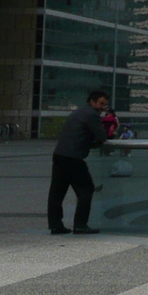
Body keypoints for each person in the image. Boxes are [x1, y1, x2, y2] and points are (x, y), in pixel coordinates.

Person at [48, 88, 109, 235]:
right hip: (73, 158)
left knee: (57, 192)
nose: (102, 107)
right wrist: (95, 142)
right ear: (92, 102)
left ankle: (55, 225)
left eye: (104, 104)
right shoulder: (92, 115)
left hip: (59, 154)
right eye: (101, 104)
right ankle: (80, 225)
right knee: (86, 189)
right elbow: (101, 136)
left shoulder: (79, 112)